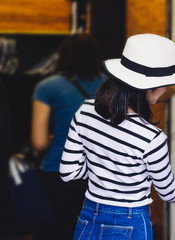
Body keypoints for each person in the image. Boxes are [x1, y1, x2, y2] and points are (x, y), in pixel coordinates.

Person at [59, 33, 175, 239]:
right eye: (166, 82)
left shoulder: (85, 111)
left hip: (88, 217)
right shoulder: (152, 138)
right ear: (148, 87)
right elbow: (169, 192)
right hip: (130, 223)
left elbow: (69, 173)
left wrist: (102, 171)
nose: (166, 89)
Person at [31, 33, 106, 240]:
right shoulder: (109, 86)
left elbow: (38, 142)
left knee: (56, 231)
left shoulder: (47, 87)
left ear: (63, 55)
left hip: (57, 172)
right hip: (99, 174)